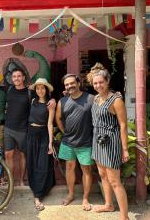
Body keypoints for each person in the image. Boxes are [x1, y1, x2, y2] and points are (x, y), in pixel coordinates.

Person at [87, 63, 129, 220]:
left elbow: (123, 125)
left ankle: (124, 216)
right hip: (97, 141)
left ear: (107, 82)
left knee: (115, 181)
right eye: (95, 83)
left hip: (111, 142)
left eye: (101, 82)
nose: (98, 85)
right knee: (103, 175)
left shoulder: (116, 99)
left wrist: (124, 149)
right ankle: (108, 204)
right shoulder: (96, 98)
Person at [4, 68, 56, 186]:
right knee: (8, 154)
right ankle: (11, 180)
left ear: (23, 78)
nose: (16, 78)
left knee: (23, 155)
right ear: (12, 79)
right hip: (8, 128)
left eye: (19, 76)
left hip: (23, 129)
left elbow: (44, 94)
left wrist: (53, 99)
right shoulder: (9, 89)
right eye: (14, 76)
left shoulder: (30, 92)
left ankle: (22, 180)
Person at [55, 74, 94, 211]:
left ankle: (85, 198)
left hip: (86, 142)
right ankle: (71, 194)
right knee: (69, 167)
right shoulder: (62, 101)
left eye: (72, 83)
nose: (69, 86)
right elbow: (58, 118)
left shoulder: (90, 99)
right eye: (66, 85)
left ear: (78, 83)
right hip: (68, 142)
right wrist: (64, 131)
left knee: (86, 170)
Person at [27, 78, 55, 211]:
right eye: (38, 88)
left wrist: (50, 142)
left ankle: (38, 195)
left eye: (42, 88)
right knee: (32, 163)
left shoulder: (50, 104)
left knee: (42, 163)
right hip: (31, 134)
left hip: (43, 133)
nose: (40, 90)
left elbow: (50, 124)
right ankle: (36, 190)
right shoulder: (33, 101)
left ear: (47, 89)